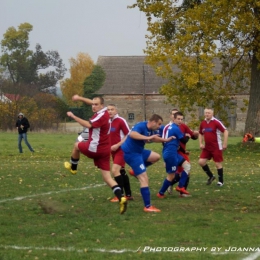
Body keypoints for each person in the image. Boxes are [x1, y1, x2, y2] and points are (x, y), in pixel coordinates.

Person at [64, 95, 127, 214]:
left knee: (77, 145)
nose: (93, 106)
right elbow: (93, 102)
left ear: (102, 106)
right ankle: (121, 198)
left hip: (94, 148)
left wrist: (73, 116)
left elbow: (88, 125)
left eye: (96, 105)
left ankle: (73, 168)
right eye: (93, 104)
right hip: (105, 151)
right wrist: (80, 98)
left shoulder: (100, 117)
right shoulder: (105, 111)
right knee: (108, 178)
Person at [121, 114, 174, 213]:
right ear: (153, 122)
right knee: (144, 178)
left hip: (139, 152)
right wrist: (147, 137)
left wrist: (165, 140)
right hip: (131, 154)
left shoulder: (151, 130)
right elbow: (132, 134)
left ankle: (135, 171)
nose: (159, 126)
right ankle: (148, 206)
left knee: (156, 157)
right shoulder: (141, 125)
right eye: (158, 124)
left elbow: (153, 138)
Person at [165, 109, 199, 196]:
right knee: (181, 172)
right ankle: (177, 189)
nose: (175, 117)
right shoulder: (168, 127)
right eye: (173, 115)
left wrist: (196, 135)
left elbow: (192, 135)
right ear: (172, 116)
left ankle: (179, 189)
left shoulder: (183, 126)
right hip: (174, 153)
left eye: (180, 118)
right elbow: (164, 141)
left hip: (182, 152)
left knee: (185, 171)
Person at [157, 112, 191, 198]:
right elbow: (183, 140)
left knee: (187, 166)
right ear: (173, 119)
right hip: (171, 154)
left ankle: (180, 187)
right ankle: (161, 193)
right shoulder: (176, 128)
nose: (180, 121)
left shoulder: (167, 127)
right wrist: (188, 136)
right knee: (171, 175)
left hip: (172, 153)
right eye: (178, 119)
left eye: (181, 119)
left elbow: (164, 142)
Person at [107, 104, 133, 202]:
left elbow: (128, 135)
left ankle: (120, 195)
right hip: (113, 151)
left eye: (112, 109)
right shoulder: (107, 122)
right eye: (108, 110)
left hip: (122, 149)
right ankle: (128, 194)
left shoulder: (121, 121)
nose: (110, 111)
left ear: (116, 111)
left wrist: (118, 145)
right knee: (121, 171)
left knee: (115, 171)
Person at [198, 108, 228, 186]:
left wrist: (224, 143)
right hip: (207, 147)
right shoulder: (203, 123)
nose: (207, 114)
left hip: (216, 146)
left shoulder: (216, 122)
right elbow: (200, 133)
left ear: (212, 114)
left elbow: (225, 131)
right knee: (201, 162)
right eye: (206, 113)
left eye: (209, 113)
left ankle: (221, 181)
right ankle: (211, 176)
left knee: (217, 164)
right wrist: (201, 143)